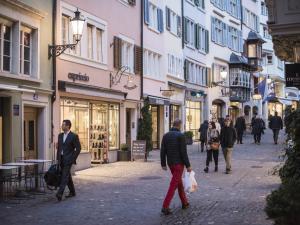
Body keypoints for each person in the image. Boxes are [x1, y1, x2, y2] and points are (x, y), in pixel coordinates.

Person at [160, 119, 192, 215]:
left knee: (178, 183)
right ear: (180, 125)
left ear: (173, 125)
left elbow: (163, 151)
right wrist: (188, 165)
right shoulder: (181, 136)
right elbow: (183, 152)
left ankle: (184, 202)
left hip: (171, 164)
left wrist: (163, 164)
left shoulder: (165, 136)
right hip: (179, 164)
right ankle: (165, 206)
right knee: (174, 184)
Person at [56, 119, 81, 201]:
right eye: (62, 124)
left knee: (64, 176)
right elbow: (59, 148)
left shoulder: (74, 136)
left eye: (63, 125)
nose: (62, 126)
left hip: (68, 159)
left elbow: (78, 148)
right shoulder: (60, 135)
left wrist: (73, 158)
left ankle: (59, 193)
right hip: (61, 158)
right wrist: (57, 158)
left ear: (68, 126)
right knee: (67, 176)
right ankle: (72, 192)